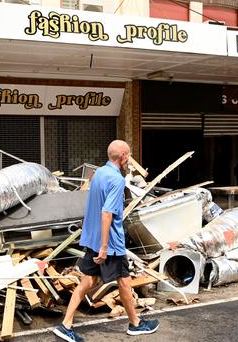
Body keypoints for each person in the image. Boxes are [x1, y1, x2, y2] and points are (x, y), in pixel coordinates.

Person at [53, 140, 160, 342]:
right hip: (110, 243)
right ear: (123, 157)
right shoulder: (117, 180)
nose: (129, 159)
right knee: (125, 282)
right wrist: (104, 247)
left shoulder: (99, 173)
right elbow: (106, 213)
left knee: (87, 281)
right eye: (128, 155)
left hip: (92, 238)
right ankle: (136, 324)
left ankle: (65, 325)